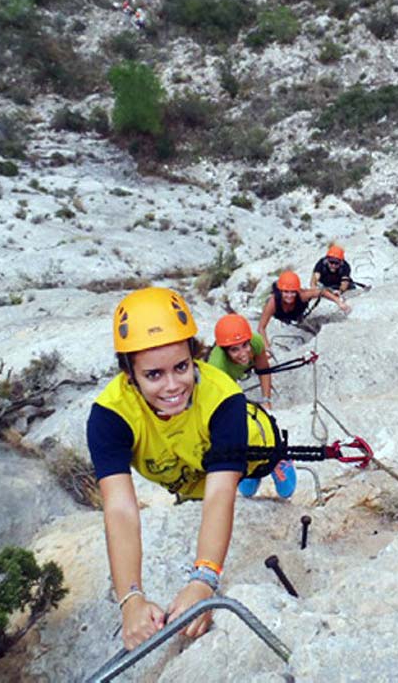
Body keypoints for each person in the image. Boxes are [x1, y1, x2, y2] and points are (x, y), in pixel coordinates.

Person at [86, 288, 280, 651]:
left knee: (255, 465)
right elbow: (120, 508)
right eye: (154, 374)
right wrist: (131, 599)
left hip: (249, 449)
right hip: (189, 476)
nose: (173, 385)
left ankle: (274, 465)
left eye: (181, 367)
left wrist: (203, 579)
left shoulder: (223, 398)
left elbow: (221, 492)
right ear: (129, 374)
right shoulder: (110, 417)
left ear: (195, 358)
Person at [207, 314, 296, 499]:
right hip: (224, 390)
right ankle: (251, 460)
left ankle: (278, 454)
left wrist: (266, 399)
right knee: (246, 491)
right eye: (234, 350)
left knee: (286, 491)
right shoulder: (217, 367)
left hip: (234, 385)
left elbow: (263, 369)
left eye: (245, 346)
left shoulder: (255, 341)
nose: (243, 353)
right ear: (225, 351)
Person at [257, 270, 350, 349]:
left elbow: (322, 292)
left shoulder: (302, 295)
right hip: (280, 316)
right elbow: (261, 327)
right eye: (286, 292)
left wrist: (339, 302)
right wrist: (266, 347)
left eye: (293, 292)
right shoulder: (273, 302)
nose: (289, 296)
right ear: (280, 291)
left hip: (296, 314)